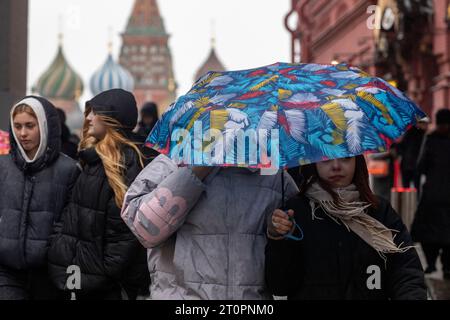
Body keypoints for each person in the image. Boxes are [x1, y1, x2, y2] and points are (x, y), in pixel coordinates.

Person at [121, 157, 299, 300]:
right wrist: (197, 170)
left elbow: (296, 244)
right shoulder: (173, 161)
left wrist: (276, 231)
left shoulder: (274, 173)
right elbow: (144, 229)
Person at [265, 155, 426, 300]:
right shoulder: (297, 212)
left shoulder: (379, 210)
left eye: (346, 157)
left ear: (357, 160)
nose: (336, 166)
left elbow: (405, 270)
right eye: (325, 158)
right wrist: (278, 239)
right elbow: (279, 285)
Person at [48, 89, 150, 299]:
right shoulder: (93, 159)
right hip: (78, 275)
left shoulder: (125, 163)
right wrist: (58, 249)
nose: (88, 118)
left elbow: (124, 233)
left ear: (112, 119)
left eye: (94, 113)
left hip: (102, 286)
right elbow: (71, 215)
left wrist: (103, 273)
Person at [0, 96, 80, 300]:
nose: (23, 133)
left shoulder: (68, 170)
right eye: (17, 126)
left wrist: (56, 246)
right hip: (6, 269)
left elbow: (72, 220)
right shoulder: (3, 166)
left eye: (30, 126)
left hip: (49, 272)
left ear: (44, 126)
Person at [411, 109, 450, 278]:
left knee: (430, 233)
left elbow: (420, 167)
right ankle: (443, 266)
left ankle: (435, 264)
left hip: (433, 194)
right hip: (436, 196)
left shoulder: (431, 139)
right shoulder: (431, 139)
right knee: (441, 234)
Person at [397, 118, 429, 192]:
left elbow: (400, 147)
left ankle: (406, 202)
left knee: (406, 187)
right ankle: (414, 202)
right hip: (415, 165)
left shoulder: (407, 132)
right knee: (416, 188)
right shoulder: (422, 134)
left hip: (406, 164)